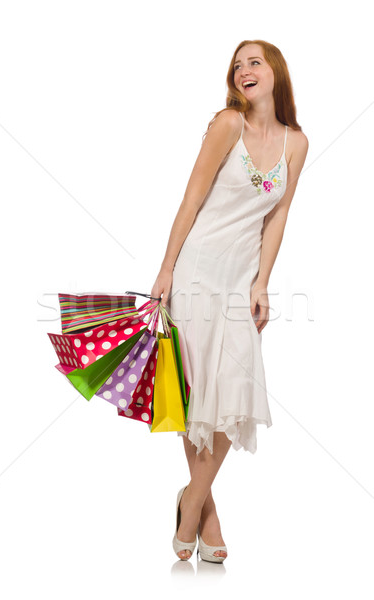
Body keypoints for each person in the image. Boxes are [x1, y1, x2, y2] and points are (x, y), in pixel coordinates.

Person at [151, 40, 309, 562]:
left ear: (276, 73)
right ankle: (206, 512)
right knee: (198, 392)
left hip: (241, 280)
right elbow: (191, 197)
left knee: (234, 390)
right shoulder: (227, 125)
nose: (244, 70)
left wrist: (263, 282)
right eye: (237, 65)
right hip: (197, 269)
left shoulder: (296, 143)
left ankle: (191, 501)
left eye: (254, 61)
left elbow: (277, 216)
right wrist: (167, 268)